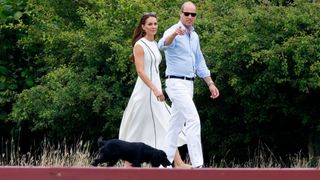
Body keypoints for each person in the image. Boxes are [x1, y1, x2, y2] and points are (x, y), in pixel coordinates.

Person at [118, 12, 190, 168]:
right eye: (150, 24)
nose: (153, 26)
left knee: (167, 122)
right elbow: (140, 71)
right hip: (145, 93)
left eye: (155, 23)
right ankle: (127, 167)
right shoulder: (140, 45)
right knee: (138, 127)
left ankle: (178, 162)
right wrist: (155, 90)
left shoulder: (154, 44)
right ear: (143, 26)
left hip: (155, 92)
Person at [158, 1, 220, 168]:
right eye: (187, 14)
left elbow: (200, 61)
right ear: (181, 14)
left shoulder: (194, 36)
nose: (190, 17)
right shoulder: (173, 31)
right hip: (175, 82)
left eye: (193, 14)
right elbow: (162, 45)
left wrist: (210, 83)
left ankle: (163, 165)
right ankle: (198, 164)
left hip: (188, 84)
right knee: (193, 119)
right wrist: (173, 35)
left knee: (175, 125)